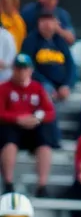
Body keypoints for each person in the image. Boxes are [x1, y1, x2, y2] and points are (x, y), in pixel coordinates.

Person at [0, 54, 57, 190]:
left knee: (45, 140)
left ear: (30, 70)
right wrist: (17, 119)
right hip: (12, 127)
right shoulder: (4, 88)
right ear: (13, 69)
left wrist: (37, 118)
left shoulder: (37, 88)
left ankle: (42, 185)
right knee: (8, 141)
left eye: (24, 68)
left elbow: (50, 112)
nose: (21, 72)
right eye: (18, 68)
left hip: (32, 127)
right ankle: (8, 182)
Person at [22, 8, 75, 105]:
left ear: (56, 23)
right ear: (38, 23)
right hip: (40, 85)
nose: (47, 23)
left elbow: (70, 65)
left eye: (50, 20)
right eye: (43, 20)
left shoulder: (60, 41)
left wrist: (66, 85)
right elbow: (27, 67)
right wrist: (45, 84)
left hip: (61, 86)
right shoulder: (31, 40)